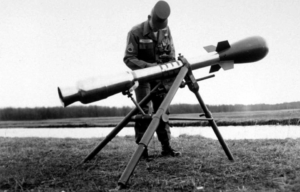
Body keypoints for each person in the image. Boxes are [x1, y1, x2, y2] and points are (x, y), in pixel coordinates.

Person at [123, 1, 181, 157]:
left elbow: (172, 55)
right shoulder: (135, 32)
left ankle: (166, 147)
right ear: (149, 18)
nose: (157, 30)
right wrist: (149, 67)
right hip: (143, 79)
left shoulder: (166, 31)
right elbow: (129, 58)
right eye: (155, 26)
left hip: (161, 78)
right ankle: (142, 151)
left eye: (160, 27)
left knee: (163, 110)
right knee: (144, 112)